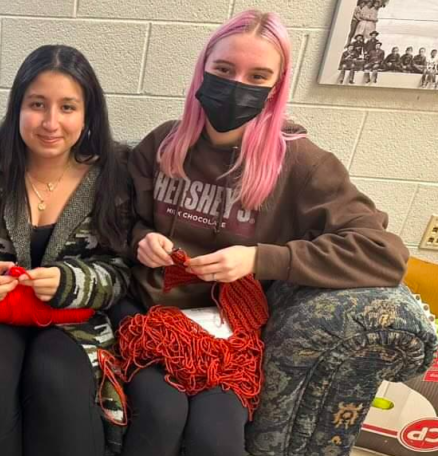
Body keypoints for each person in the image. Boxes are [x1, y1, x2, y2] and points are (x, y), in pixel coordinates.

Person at [121, 10, 408, 456]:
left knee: (216, 438)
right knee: (160, 414)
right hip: (151, 314)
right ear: (202, 71)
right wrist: (141, 239)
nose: (236, 85)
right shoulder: (163, 143)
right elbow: (117, 220)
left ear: (277, 87)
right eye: (223, 70)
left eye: (257, 76)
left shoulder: (301, 163)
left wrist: (260, 258)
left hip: (233, 330)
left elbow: (382, 252)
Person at [0, 44, 132, 456]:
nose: (50, 122)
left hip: (73, 322)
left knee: (56, 380)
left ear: (87, 115)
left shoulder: (111, 175)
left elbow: (120, 270)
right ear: (17, 109)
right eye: (37, 105)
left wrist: (71, 281)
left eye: (67, 107)